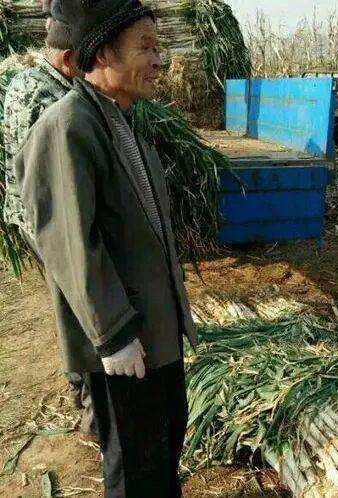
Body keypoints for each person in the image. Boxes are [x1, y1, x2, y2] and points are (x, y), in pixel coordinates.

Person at [14, 0, 196, 495]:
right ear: (101, 54)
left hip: (155, 334)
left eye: (158, 47)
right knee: (135, 470)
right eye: (146, 47)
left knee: (161, 453)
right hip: (125, 340)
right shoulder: (68, 126)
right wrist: (113, 333)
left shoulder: (120, 118)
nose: (159, 60)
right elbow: (70, 242)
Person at [3, 0, 96, 437]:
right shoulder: (46, 97)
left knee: (68, 304)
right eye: (88, 60)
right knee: (80, 308)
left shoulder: (28, 82)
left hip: (31, 216)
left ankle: (79, 385)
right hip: (48, 222)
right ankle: (92, 405)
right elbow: (58, 174)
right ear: (68, 59)